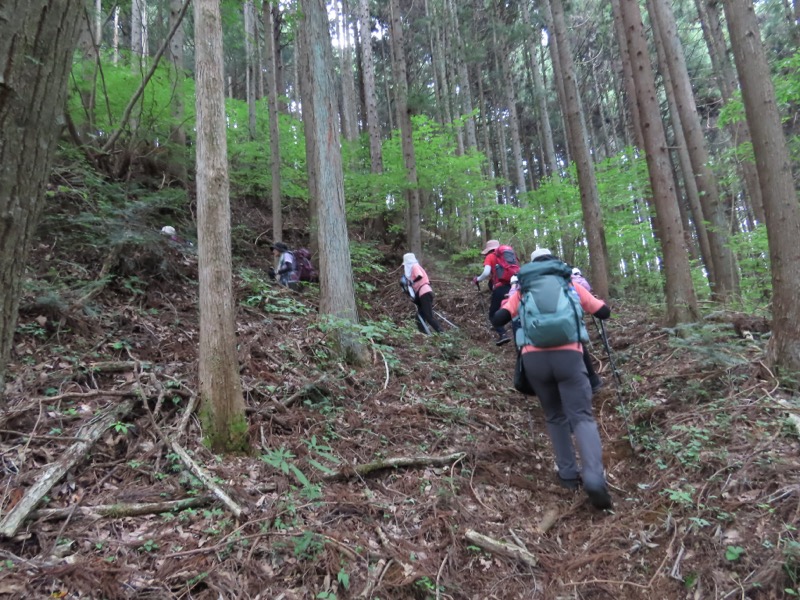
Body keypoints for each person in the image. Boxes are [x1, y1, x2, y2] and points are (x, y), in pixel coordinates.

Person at [492, 248, 613, 509]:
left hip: (534, 361)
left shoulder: (522, 288)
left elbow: (500, 317)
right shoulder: (569, 283)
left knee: (555, 416)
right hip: (569, 356)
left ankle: (568, 475)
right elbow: (602, 311)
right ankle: (593, 477)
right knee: (580, 416)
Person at [473, 239, 512, 346]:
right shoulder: (508, 256)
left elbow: (485, 273)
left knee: (492, 315)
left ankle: (503, 334)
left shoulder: (490, 256)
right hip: (514, 286)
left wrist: (478, 279)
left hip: (501, 287)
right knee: (514, 311)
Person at [570, 266, 602, 393]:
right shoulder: (573, 282)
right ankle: (592, 380)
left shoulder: (528, 287)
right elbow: (602, 311)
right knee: (579, 344)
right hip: (572, 323)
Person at [401, 253, 442, 334]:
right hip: (421, 294)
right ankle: (424, 334)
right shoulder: (412, 269)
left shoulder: (414, 266)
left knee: (429, 317)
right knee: (419, 317)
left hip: (425, 293)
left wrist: (412, 282)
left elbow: (419, 276)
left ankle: (441, 333)